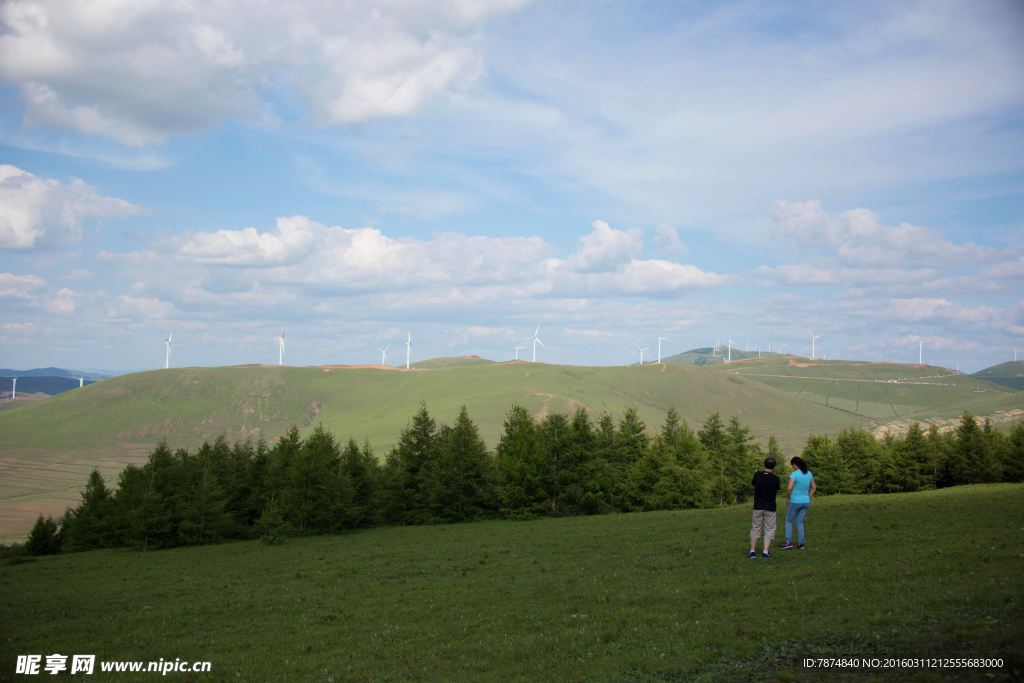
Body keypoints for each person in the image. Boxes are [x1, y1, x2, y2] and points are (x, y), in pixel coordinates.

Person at [781, 456, 816, 550]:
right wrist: (808, 498)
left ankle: (788, 541)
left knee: (789, 520)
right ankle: (801, 543)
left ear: (795, 465)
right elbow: (814, 487)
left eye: (792, 465)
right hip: (805, 502)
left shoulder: (794, 474)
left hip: (795, 501)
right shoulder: (809, 473)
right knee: (799, 521)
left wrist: (788, 498)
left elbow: (789, 488)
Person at [749, 457, 781, 558]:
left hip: (758, 506)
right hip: (770, 506)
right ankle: (765, 551)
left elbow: (753, 483)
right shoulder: (776, 479)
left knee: (756, 527)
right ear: (774, 468)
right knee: (770, 528)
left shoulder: (757, 475)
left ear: (764, 465)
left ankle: (752, 551)